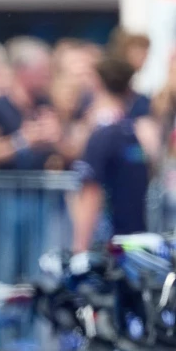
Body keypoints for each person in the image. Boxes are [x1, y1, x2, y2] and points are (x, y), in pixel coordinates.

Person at [71, 55, 154, 251]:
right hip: (134, 239)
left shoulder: (103, 135)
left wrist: (80, 248)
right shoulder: (133, 133)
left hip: (109, 245)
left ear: (97, 83)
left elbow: (92, 192)